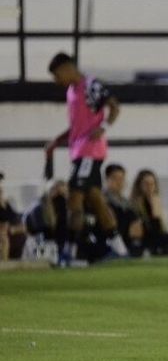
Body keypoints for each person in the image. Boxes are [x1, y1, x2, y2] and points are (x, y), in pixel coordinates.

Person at [44, 52, 129, 264]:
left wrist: (104, 127)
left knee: (74, 198)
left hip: (89, 152)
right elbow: (77, 126)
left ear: (67, 68)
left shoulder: (91, 85)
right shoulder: (72, 92)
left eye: (57, 76)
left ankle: (69, 252)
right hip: (79, 152)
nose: (56, 81)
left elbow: (114, 106)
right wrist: (57, 140)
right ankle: (119, 248)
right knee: (96, 200)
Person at [104, 163, 144, 256]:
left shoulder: (128, 203)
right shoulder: (103, 200)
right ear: (107, 179)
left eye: (121, 179)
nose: (119, 182)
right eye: (115, 178)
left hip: (129, 240)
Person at [130, 169, 166, 255]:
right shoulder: (134, 204)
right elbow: (147, 227)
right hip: (146, 241)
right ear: (139, 185)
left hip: (160, 238)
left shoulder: (155, 200)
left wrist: (154, 204)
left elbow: (162, 228)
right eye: (146, 184)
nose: (150, 187)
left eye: (152, 184)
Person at [0, 173, 27, 261]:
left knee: (5, 237)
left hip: (5, 233)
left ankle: (5, 263)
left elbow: (14, 221)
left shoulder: (5, 204)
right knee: (4, 238)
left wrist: (13, 229)